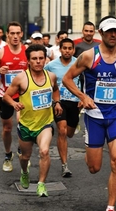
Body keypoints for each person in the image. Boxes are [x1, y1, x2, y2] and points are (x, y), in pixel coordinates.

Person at [63, 16, 116, 211]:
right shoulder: (89, 56)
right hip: (94, 117)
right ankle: (91, 149)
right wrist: (83, 96)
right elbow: (67, 78)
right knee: (94, 167)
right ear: (101, 33)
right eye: (108, 31)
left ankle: (110, 209)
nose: (113, 35)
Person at [3, 44, 62, 197]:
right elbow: (6, 96)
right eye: (34, 59)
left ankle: (41, 184)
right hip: (26, 125)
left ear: (45, 59)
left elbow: (55, 90)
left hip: (45, 124)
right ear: (28, 61)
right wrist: (14, 103)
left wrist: (57, 103)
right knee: (25, 157)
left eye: (41, 58)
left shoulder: (51, 76)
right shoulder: (21, 78)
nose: (38, 62)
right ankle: (24, 172)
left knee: (44, 151)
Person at [0, 21, 28, 172]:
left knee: (21, 123)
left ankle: (22, 150)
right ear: (8, 35)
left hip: (23, 95)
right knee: (7, 128)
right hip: (5, 96)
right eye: (12, 33)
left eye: (18, 33)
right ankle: (7, 154)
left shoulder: (27, 51)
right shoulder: (1, 52)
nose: (16, 36)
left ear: (22, 34)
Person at [44, 38, 80, 177]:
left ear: (73, 50)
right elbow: (43, 78)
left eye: (69, 48)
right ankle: (65, 165)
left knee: (69, 133)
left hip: (75, 103)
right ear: (60, 49)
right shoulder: (51, 65)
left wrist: (83, 97)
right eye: (64, 48)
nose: (67, 51)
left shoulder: (78, 63)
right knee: (62, 131)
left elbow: (87, 80)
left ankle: (74, 125)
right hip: (59, 102)